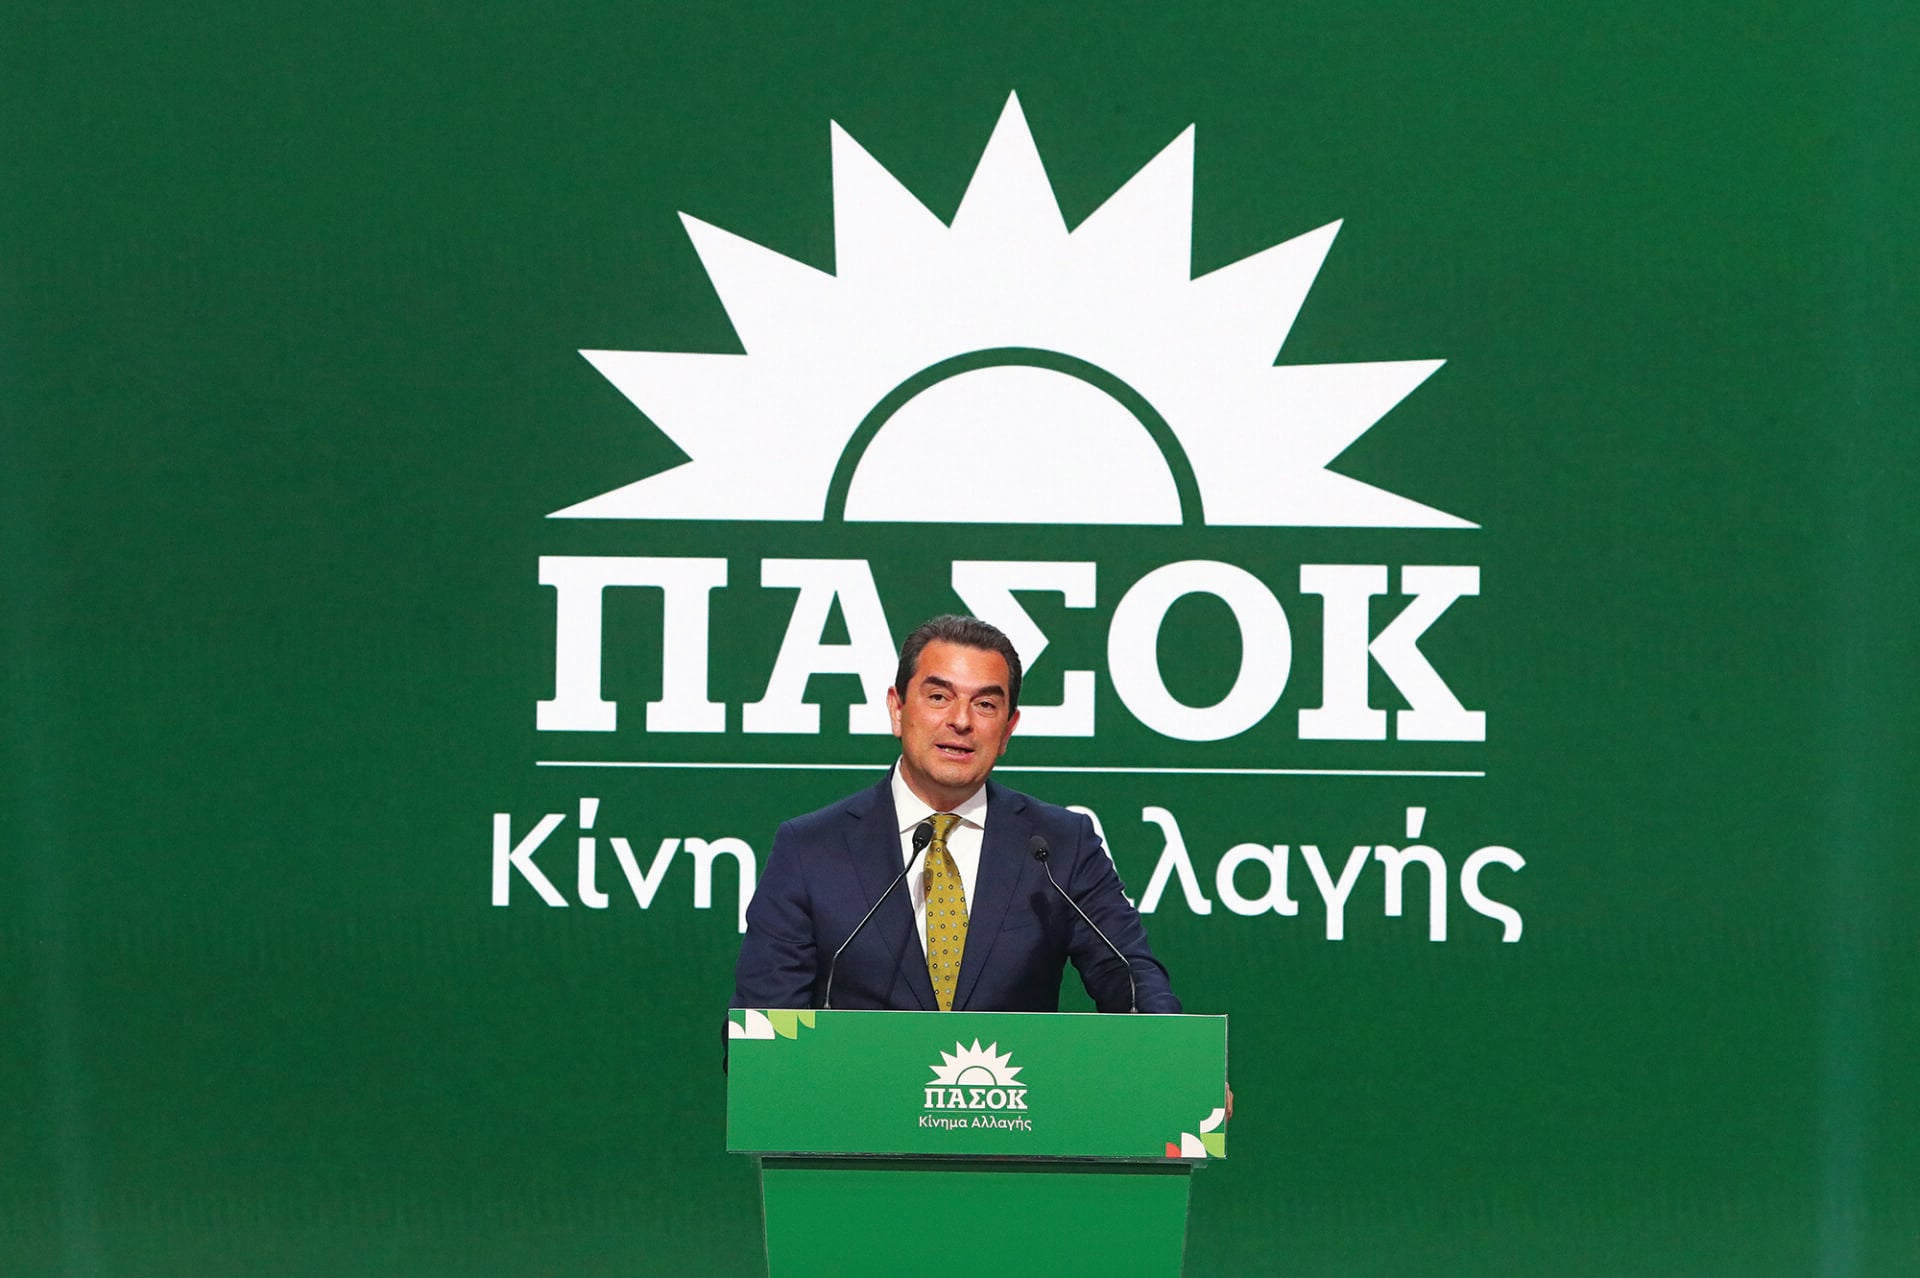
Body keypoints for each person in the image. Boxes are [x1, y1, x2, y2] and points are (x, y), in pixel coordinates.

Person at [731, 614, 1181, 1014]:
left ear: (1008, 729)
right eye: (938, 697)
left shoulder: (1060, 845)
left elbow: (1134, 981)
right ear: (897, 709)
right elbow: (762, 1030)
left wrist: (1173, 1054)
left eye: (985, 704)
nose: (961, 721)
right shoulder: (810, 850)